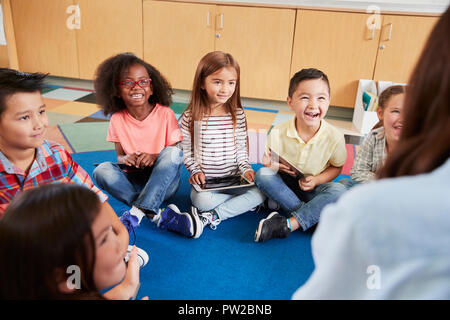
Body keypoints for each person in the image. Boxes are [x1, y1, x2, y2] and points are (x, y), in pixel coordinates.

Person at [292, 6, 450, 299]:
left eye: (321, 98)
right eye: (394, 112)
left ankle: (298, 219)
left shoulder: (414, 161)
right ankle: (304, 214)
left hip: (373, 196)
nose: (401, 119)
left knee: (339, 196)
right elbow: (357, 171)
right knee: (335, 190)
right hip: (360, 187)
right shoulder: (373, 139)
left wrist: (374, 194)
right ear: (381, 113)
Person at [0, 68, 148, 267]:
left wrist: (119, 233)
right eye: (24, 117)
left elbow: (92, 195)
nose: (39, 124)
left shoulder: (55, 154)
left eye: (41, 112)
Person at [92, 53, 202, 239]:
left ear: (152, 88)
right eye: (128, 82)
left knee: (174, 153)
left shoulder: (165, 114)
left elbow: (172, 155)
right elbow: (119, 157)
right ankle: (157, 215)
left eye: (143, 81)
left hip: (164, 184)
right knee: (101, 170)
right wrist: (126, 159)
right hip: (135, 182)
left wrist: (154, 156)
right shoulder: (117, 119)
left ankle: (135, 214)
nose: (137, 87)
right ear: (117, 91)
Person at [0, 183, 146, 300]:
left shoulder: (67, 283)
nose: (118, 243)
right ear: (64, 276)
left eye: (110, 230)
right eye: (103, 240)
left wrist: (127, 288)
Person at [253, 68, 347, 242]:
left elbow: (337, 166)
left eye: (321, 98)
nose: (313, 105)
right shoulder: (279, 132)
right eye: (305, 97)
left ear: (329, 102)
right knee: (262, 175)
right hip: (285, 184)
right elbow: (268, 159)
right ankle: (311, 217)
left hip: (314, 188)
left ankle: (288, 223)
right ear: (290, 102)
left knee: (340, 190)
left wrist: (317, 180)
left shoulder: (335, 136)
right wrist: (272, 165)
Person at [180, 51, 265, 233]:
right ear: (202, 83)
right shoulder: (190, 116)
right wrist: (195, 170)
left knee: (262, 192)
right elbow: (186, 150)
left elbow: (241, 149)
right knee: (200, 201)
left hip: (234, 180)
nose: (225, 89)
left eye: (231, 83)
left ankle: (214, 215)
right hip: (208, 184)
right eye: (217, 82)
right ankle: (242, 206)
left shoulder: (238, 114)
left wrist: (246, 169)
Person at [340, 85, 405, 188]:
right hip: (374, 187)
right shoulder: (374, 136)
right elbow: (358, 171)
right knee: (345, 183)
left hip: (401, 194)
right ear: (380, 113)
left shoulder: (418, 145)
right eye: (396, 111)